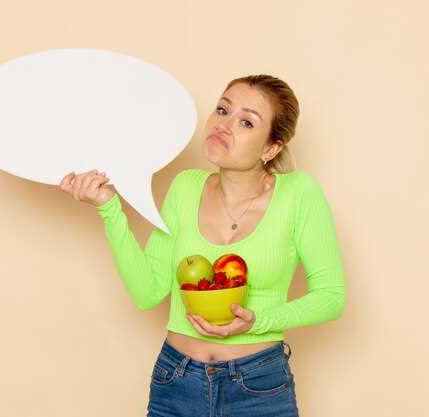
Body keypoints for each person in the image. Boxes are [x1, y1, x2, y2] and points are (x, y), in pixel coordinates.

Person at [59, 74, 347, 417]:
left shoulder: (299, 193)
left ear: (271, 148)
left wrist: (257, 321)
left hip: (259, 387)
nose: (224, 125)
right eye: (222, 110)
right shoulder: (185, 187)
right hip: (176, 381)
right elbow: (147, 292)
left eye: (246, 122)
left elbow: (331, 296)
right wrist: (109, 208)